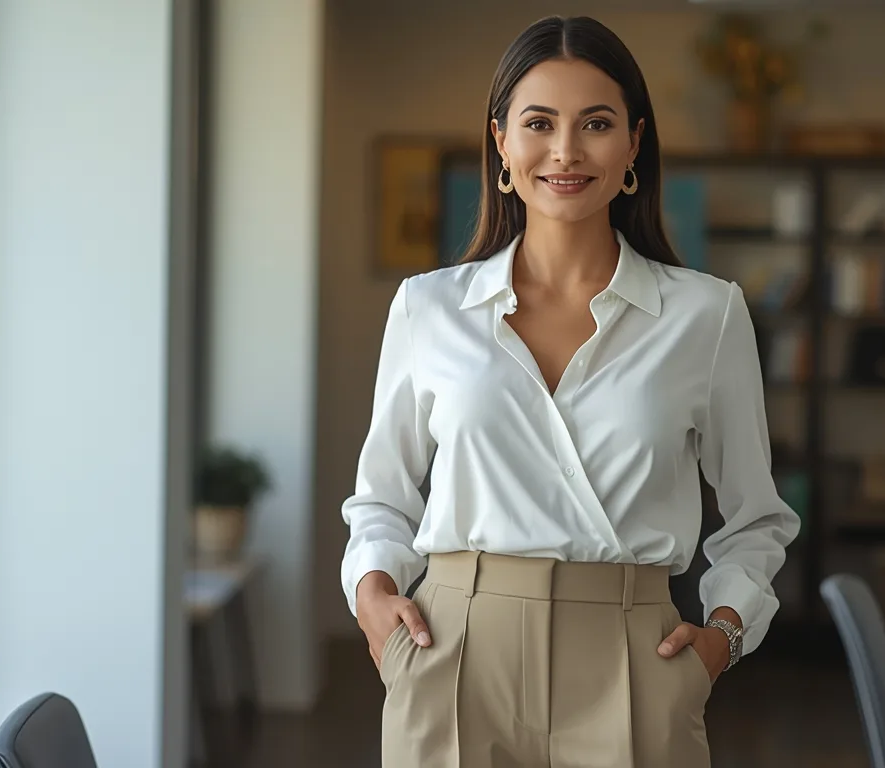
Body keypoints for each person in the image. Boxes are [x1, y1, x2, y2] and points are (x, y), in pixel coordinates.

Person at [340, 15, 800, 768]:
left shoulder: (706, 315)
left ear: (633, 145)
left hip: (634, 659)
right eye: (539, 123)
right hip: (451, 652)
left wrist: (722, 637)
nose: (565, 150)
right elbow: (381, 500)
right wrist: (374, 597)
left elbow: (756, 518)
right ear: (501, 143)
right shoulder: (428, 309)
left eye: (595, 123)